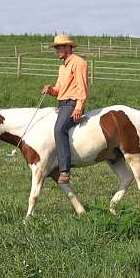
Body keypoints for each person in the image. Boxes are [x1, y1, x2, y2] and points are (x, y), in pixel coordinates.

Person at [41, 34, 89, 185]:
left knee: (59, 130)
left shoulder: (79, 63)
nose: (57, 50)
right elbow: (59, 90)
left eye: (59, 47)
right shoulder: (62, 67)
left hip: (71, 104)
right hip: (62, 103)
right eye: (56, 47)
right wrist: (51, 90)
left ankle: (65, 170)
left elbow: (82, 87)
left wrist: (79, 107)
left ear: (68, 47)